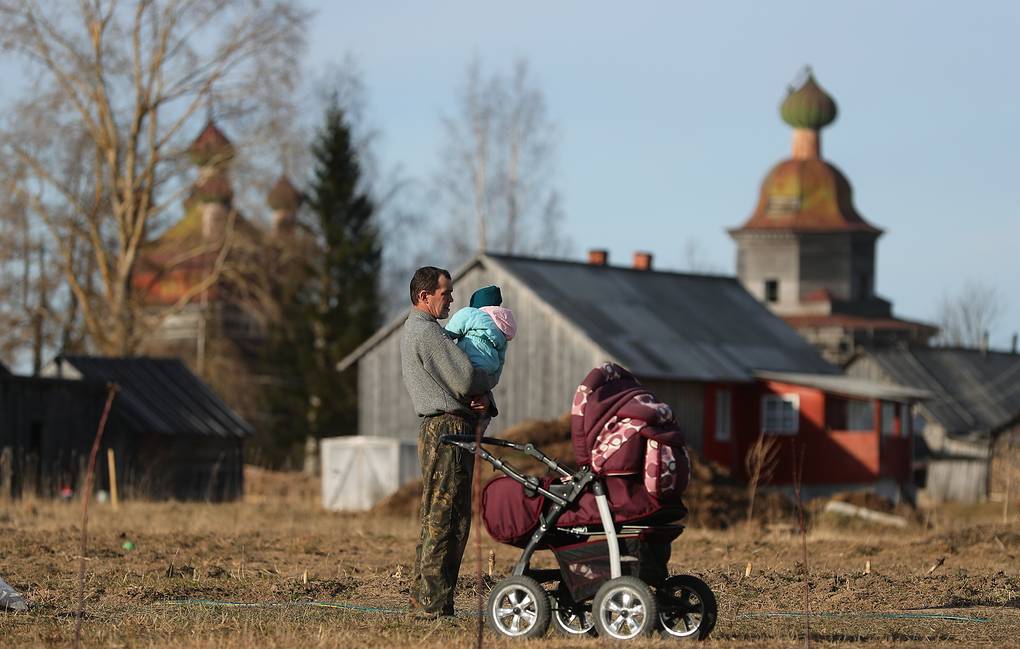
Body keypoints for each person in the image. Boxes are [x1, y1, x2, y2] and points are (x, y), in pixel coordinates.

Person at [400, 266, 496, 618]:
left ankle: (427, 600)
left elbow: (459, 383)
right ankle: (433, 606)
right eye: (446, 293)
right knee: (448, 519)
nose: (452, 299)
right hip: (447, 430)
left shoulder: (424, 332)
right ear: (424, 296)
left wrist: (483, 400)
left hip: (442, 428)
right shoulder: (428, 334)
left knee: (439, 517)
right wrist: (489, 379)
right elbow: (466, 376)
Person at [445, 285, 515, 435]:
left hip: (468, 364)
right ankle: (478, 431)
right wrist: (488, 383)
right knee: (478, 403)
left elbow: (447, 335)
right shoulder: (502, 330)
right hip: (487, 372)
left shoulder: (469, 314)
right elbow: (500, 363)